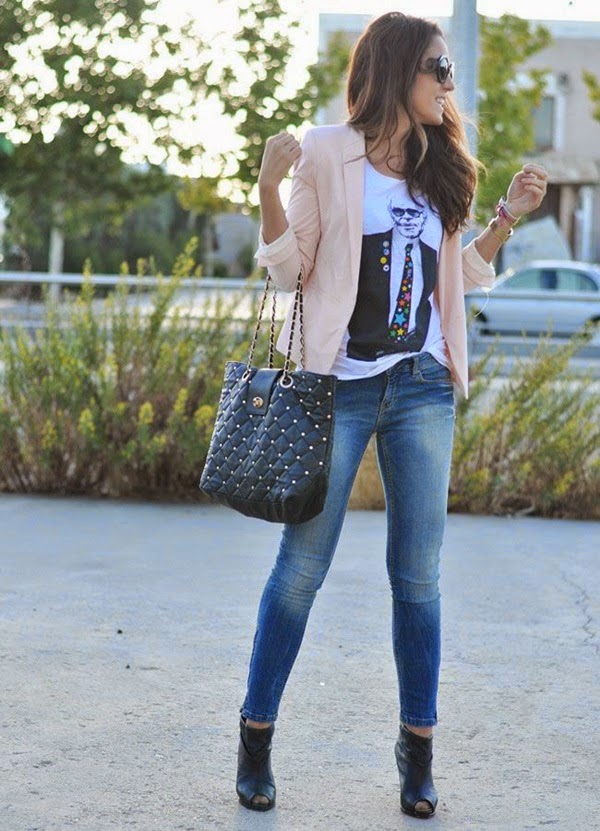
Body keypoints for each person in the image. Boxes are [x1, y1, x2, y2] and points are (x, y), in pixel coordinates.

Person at [235, 11, 547, 819]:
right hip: (338, 387)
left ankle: (418, 750)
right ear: (397, 71)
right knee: (301, 568)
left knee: (418, 577)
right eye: (438, 69)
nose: (449, 83)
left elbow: (457, 280)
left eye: (450, 71)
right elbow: (289, 271)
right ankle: (256, 734)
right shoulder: (326, 154)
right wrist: (268, 190)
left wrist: (505, 219)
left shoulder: (445, 166)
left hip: (422, 387)